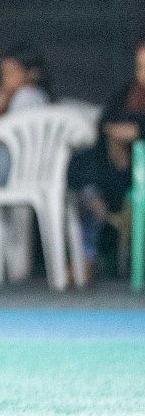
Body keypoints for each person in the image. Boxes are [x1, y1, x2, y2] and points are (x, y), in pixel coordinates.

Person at [67, 37, 145, 285]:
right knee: (81, 169)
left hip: (138, 170)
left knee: (98, 175)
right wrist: (116, 140)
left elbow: (136, 129)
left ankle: (106, 217)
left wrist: (132, 134)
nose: (143, 74)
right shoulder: (129, 92)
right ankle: (89, 255)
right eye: (140, 67)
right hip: (115, 170)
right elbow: (105, 123)